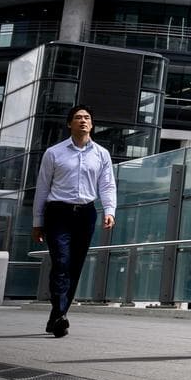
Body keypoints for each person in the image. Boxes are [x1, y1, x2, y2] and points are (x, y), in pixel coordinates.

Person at [32, 105, 117, 337]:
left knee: (75, 266)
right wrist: (37, 222)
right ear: (69, 124)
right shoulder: (54, 153)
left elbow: (107, 185)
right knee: (61, 261)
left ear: (92, 124)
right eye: (78, 118)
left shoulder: (101, 154)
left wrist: (110, 210)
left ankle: (57, 316)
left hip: (86, 213)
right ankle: (60, 314)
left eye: (87, 117)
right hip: (58, 213)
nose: (83, 121)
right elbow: (42, 188)